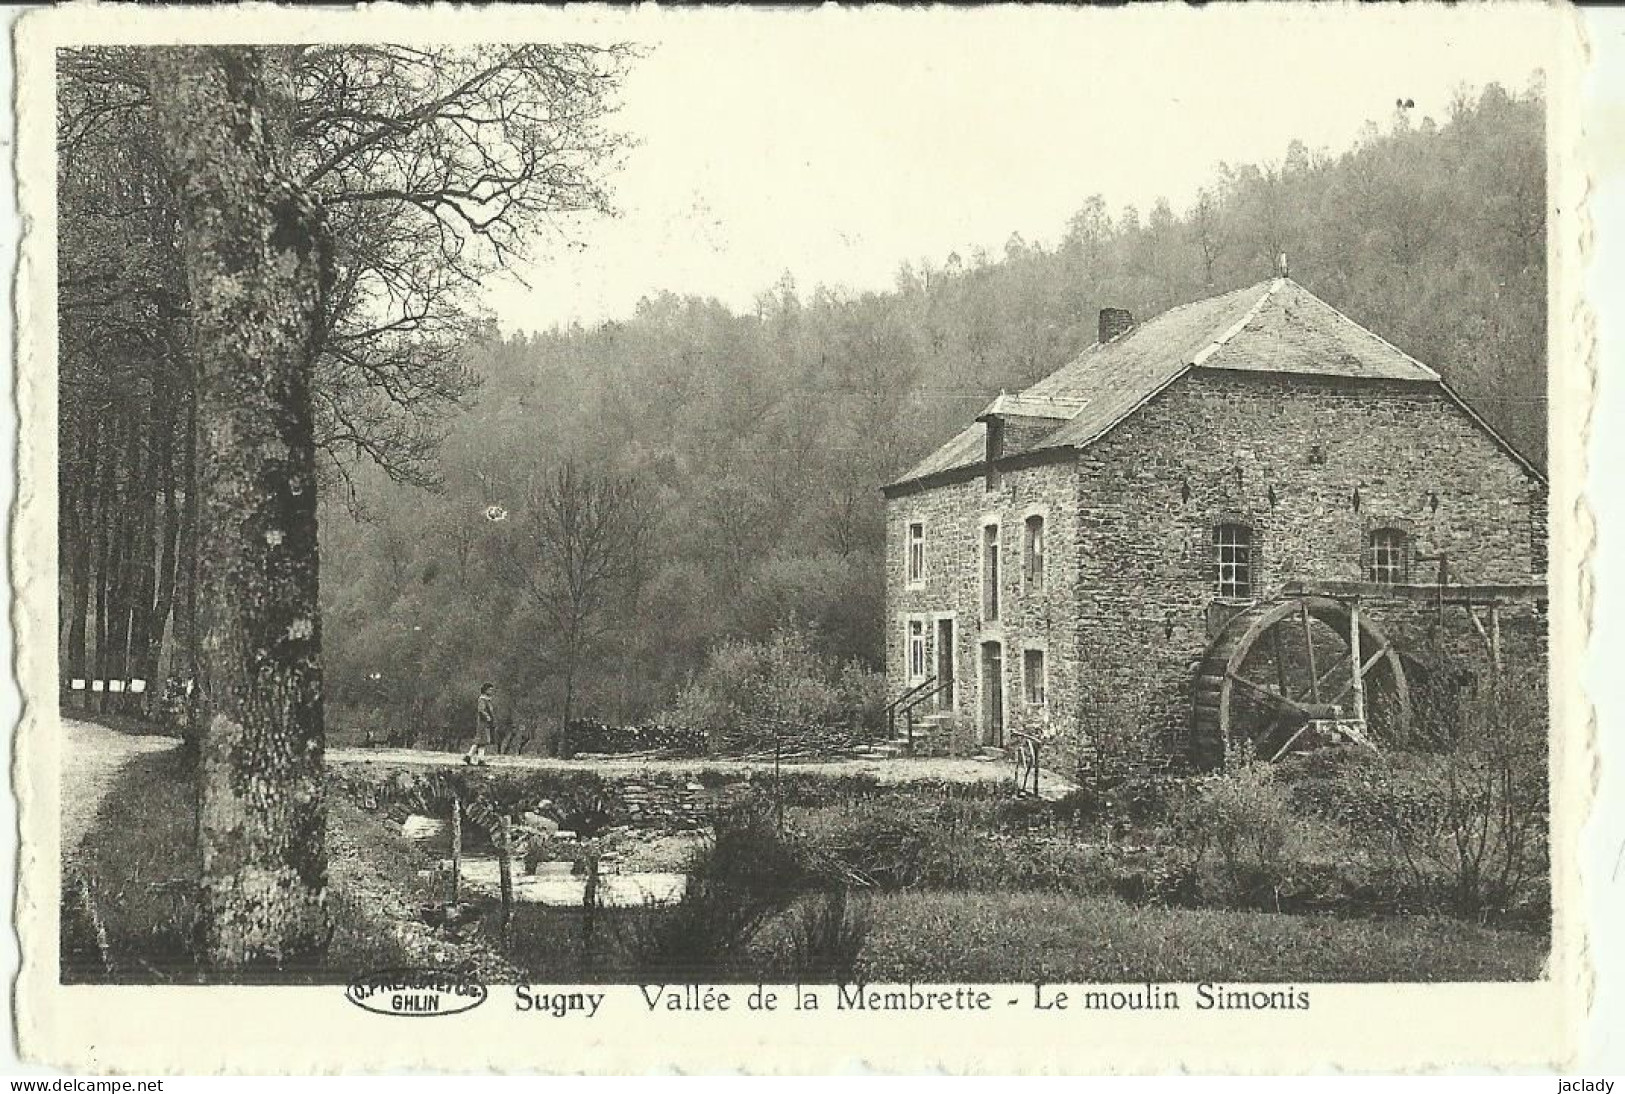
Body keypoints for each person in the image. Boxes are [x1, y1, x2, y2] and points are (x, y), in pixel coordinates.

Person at [465, 682, 496, 766]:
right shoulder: (482, 699)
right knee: (482, 741)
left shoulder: (487, 699)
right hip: (483, 722)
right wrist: (487, 717)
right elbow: (481, 710)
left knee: (481, 741)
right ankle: (479, 759)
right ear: (485, 690)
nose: (491, 691)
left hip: (485, 723)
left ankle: (469, 756)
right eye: (490, 689)